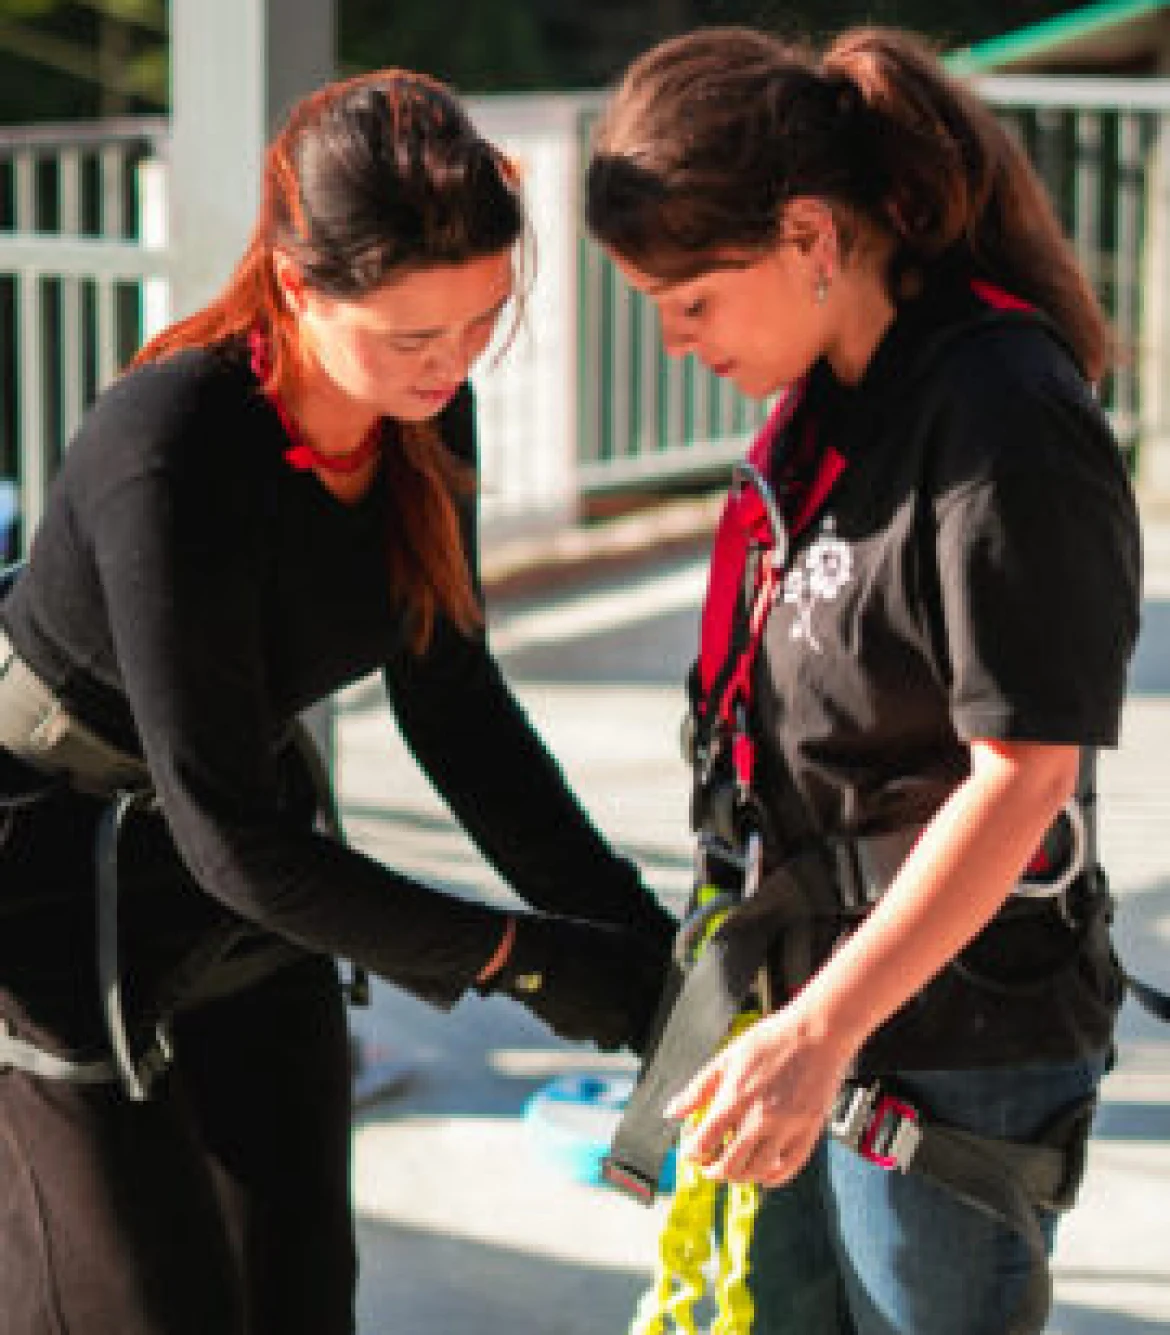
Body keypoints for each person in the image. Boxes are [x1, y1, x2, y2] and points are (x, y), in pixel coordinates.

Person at [0, 69, 675, 1335]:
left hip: (247, 872)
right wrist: (521, 960)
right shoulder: (171, 446)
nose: (454, 363)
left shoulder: (431, 419)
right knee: (145, 1307)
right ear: (298, 286)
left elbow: (456, 708)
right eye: (414, 336)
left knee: (302, 1290)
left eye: (480, 323)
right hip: (53, 884)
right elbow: (229, 839)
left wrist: (634, 948)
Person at [585, 26, 1141, 1335]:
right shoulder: (838, 395)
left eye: (691, 299)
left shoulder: (1000, 414)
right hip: (813, 1011)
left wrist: (821, 1030)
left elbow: (1024, 778)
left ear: (810, 238)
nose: (673, 344)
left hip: (944, 1039)